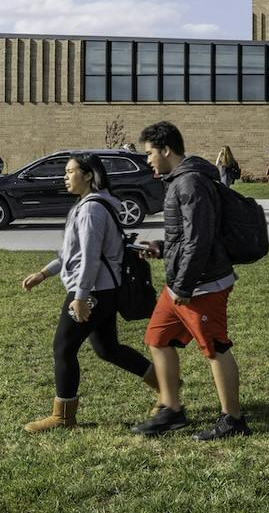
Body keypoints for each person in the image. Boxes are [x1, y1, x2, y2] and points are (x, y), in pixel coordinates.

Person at [19, 154, 159, 433]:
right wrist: (44, 273)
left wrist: (80, 297)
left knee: (63, 348)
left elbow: (90, 258)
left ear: (88, 175)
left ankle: (63, 416)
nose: (65, 176)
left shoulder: (92, 210)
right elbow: (71, 253)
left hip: (92, 290)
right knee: (108, 349)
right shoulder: (88, 206)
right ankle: (166, 386)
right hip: (101, 289)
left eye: (70, 171)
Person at [131, 121, 249, 440]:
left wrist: (184, 284)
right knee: (158, 338)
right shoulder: (180, 181)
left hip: (202, 284)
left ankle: (233, 419)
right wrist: (163, 247)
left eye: (149, 153)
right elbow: (186, 237)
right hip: (182, 282)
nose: (147, 160)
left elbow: (200, 239)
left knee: (215, 348)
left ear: (166, 150)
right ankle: (171, 410)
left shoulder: (191, 182)